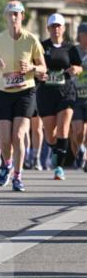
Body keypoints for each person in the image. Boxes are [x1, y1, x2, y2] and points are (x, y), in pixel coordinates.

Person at [0, 1, 46, 192]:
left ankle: (18, 176)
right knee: (4, 139)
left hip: (25, 92)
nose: (13, 18)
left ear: (22, 16)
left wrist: (32, 68)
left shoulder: (31, 40)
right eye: (9, 14)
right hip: (2, 92)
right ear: (6, 17)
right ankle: (7, 163)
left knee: (18, 136)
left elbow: (44, 68)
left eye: (16, 14)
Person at [36, 13, 82, 180]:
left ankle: (59, 167)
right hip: (46, 94)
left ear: (63, 28)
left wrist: (76, 70)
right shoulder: (41, 47)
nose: (56, 29)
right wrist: (39, 74)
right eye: (53, 26)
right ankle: (57, 152)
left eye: (59, 26)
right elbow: (35, 68)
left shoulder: (70, 48)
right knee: (50, 135)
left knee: (63, 129)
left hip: (66, 92)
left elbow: (78, 66)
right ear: (48, 28)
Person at [69, 22, 87, 170]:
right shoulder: (73, 51)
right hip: (76, 96)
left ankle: (84, 157)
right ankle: (80, 150)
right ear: (79, 36)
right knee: (78, 130)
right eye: (85, 34)